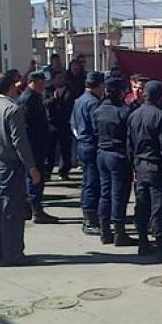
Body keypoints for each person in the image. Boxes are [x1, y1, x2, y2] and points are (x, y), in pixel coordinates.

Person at [0, 73, 41, 266]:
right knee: (12, 210)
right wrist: (31, 167)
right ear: (10, 87)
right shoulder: (12, 109)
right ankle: (13, 253)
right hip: (8, 163)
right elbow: (20, 142)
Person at [127, 80, 162, 261]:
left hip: (140, 166)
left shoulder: (134, 115)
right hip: (157, 167)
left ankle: (143, 242)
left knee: (142, 205)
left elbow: (129, 145)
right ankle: (161, 246)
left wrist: (133, 166)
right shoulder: (161, 116)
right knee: (159, 207)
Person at [94, 77, 137, 246]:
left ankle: (105, 230)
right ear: (120, 93)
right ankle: (119, 233)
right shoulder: (123, 112)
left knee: (105, 193)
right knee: (119, 195)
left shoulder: (98, 110)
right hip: (118, 155)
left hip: (102, 153)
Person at [18, 72, 58, 224]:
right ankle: (36, 209)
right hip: (33, 145)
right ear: (32, 82)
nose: (43, 85)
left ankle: (29, 208)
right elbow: (26, 125)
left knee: (35, 177)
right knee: (34, 177)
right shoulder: (28, 99)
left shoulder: (34, 97)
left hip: (38, 144)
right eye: (40, 82)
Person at [71, 71, 104, 235]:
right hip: (92, 145)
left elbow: (73, 124)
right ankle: (90, 219)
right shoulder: (94, 103)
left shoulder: (79, 101)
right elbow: (97, 127)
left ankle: (88, 215)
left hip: (82, 144)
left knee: (87, 181)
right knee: (92, 182)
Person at [44, 70, 75, 180]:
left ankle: (64, 171)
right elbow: (45, 103)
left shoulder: (70, 90)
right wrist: (54, 99)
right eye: (58, 78)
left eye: (62, 78)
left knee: (65, 149)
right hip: (51, 124)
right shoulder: (48, 90)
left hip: (65, 123)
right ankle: (47, 171)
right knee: (49, 150)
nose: (60, 80)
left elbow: (70, 104)